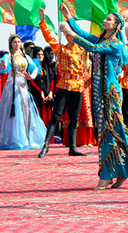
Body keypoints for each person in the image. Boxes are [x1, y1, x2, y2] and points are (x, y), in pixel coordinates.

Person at [59, 3, 128, 190]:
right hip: (99, 91)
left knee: (108, 132)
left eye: (108, 19)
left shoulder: (115, 44)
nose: (104, 21)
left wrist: (71, 36)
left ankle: (107, 176)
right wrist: (69, 16)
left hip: (108, 93)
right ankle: (120, 171)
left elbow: (90, 46)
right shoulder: (103, 41)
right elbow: (85, 35)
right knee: (109, 132)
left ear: (117, 25)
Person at [38, 9, 88, 157]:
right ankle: (46, 145)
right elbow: (49, 38)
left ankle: (72, 148)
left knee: (74, 117)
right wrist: (43, 22)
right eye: (66, 34)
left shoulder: (83, 49)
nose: (68, 36)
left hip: (78, 86)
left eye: (70, 33)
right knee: (56, 115)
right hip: (65, 85)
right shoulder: (62, 49)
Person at [0, 36, 47, 150]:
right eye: (15, 42)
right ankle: (16, 140)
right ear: (11, 44)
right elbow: (4, 66)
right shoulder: (8, 56)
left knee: (27, 113)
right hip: (12, 88)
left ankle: (28, 138)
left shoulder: (25, 56)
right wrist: (3, 65)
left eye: (18, 42)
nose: (17, 44)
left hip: (23, 88)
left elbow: (35, 68)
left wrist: (31, 76)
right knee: (15, 114)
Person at [28, 46, 55, 126]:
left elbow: (51, 80)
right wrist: (40, 92)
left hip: (47, 97)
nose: (40, 56)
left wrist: (50, 93)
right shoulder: (32, 67)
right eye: (38, 54)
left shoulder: (47, 66)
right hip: (37, 96)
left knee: (48, 120)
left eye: (42, 54)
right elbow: (31, 81)